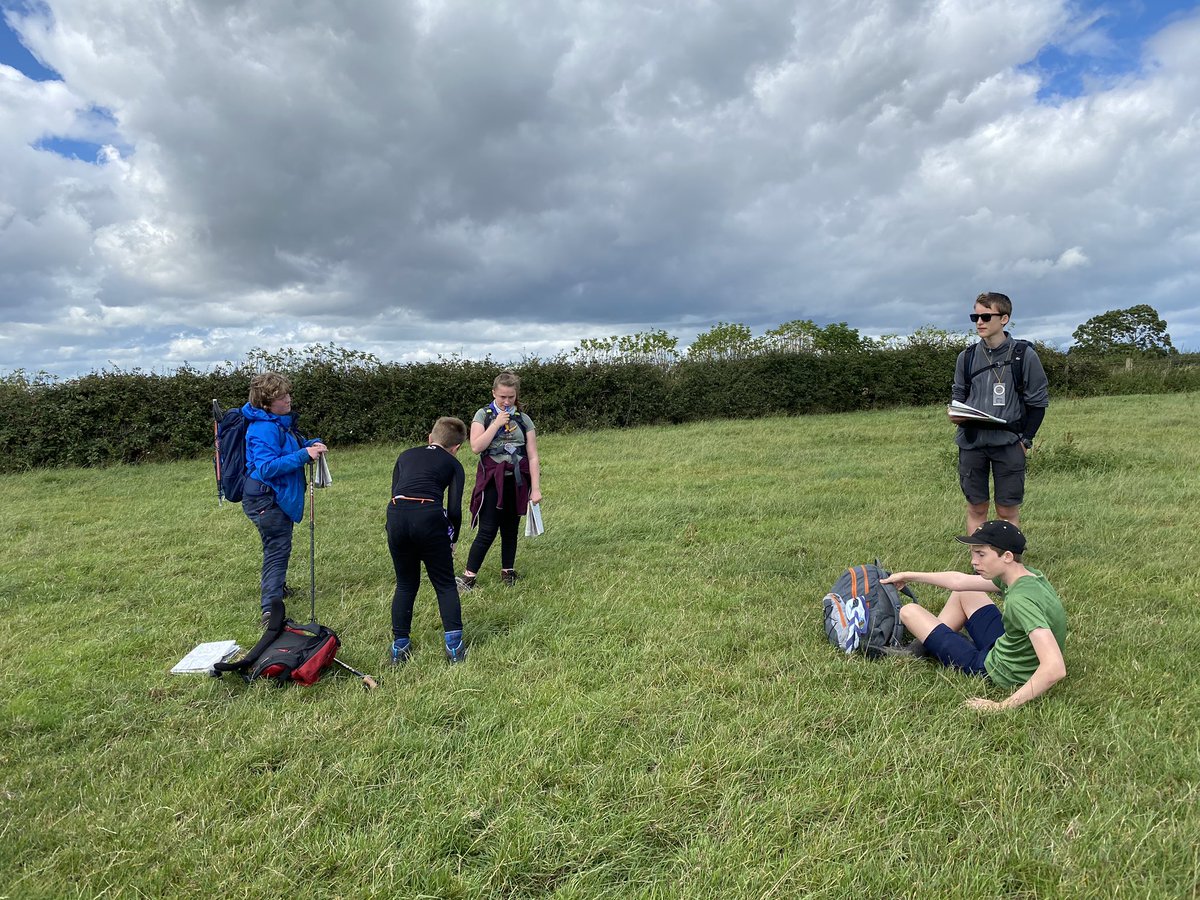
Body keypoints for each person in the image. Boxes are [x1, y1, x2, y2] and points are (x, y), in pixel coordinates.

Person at [880, 521, 1067, 710]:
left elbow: (1054, 667)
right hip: (1012, 648)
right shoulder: (1027, 576)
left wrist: (1001, 706)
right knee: (965, 592)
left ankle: (927, 645)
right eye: (973, 554)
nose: (974, 561)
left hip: (997, 670)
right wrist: (908, 575)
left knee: (909, 611)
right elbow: (959, 582)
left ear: (1007, 556)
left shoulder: (1020, 601)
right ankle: (929, 644)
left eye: (981, 554)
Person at [952, 292, 1049, 533]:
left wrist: (1026, 440)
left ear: (1004, 319)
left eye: (986, 316)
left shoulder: (1024, 355)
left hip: (1009, 442)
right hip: (972, 442)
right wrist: (956, 412)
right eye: (975, 316)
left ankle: (1007, 556)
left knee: (1007, 511)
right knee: (976, 508)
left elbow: (1038, 402)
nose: (979, 322)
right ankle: (979, 557)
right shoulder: (966, 357)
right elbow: (959, 394)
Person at [241, 372, 327, 627]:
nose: (288, 399)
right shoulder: (264, 428)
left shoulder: (278, 422)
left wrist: (310, 445)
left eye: (288, 394)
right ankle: (270, 610)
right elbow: (266, 467)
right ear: (266, 403)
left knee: (277, 545)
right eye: (281, 396)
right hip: (266, 498)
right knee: (277, 549)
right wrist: (303, 455)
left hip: (273, 495)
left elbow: (289, 447)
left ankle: (278, 588)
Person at [386, 417, 469, 664]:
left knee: (405, 584)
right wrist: (453, 537)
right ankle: (454, 647)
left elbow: (395, 493)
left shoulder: (405, 455)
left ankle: (400, 646)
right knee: (444, 583)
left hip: (396, 515)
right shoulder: (453, 464)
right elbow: (454, 509)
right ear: (456, 448)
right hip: (429, 516)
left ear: (430, 438)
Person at [457, 371, 542, 592]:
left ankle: (508, 572)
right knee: (487, 530)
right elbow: (476, 447)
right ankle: (468, 578)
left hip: (517, 481)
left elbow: (533, 456)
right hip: (492, 481)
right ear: (494, 393)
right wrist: (496, 424)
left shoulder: (523, 419)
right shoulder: (483, 415)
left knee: (511, 529)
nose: (506, 402)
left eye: (511, 397)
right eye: (502, 396)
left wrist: (536, 489)